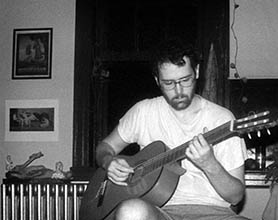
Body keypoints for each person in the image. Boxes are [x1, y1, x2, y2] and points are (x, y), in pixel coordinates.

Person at [95, 38, 249, 220]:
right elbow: (105, 147)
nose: (178, 91)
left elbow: (236, 196)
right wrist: (108, 162)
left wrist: (209, 163)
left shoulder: (222, 119)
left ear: (197, 71)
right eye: (168, 83)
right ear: (157, 80)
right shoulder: (143, 112)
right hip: (160, 211)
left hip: (214, 213)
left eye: (185, 80)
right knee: (131, 211)